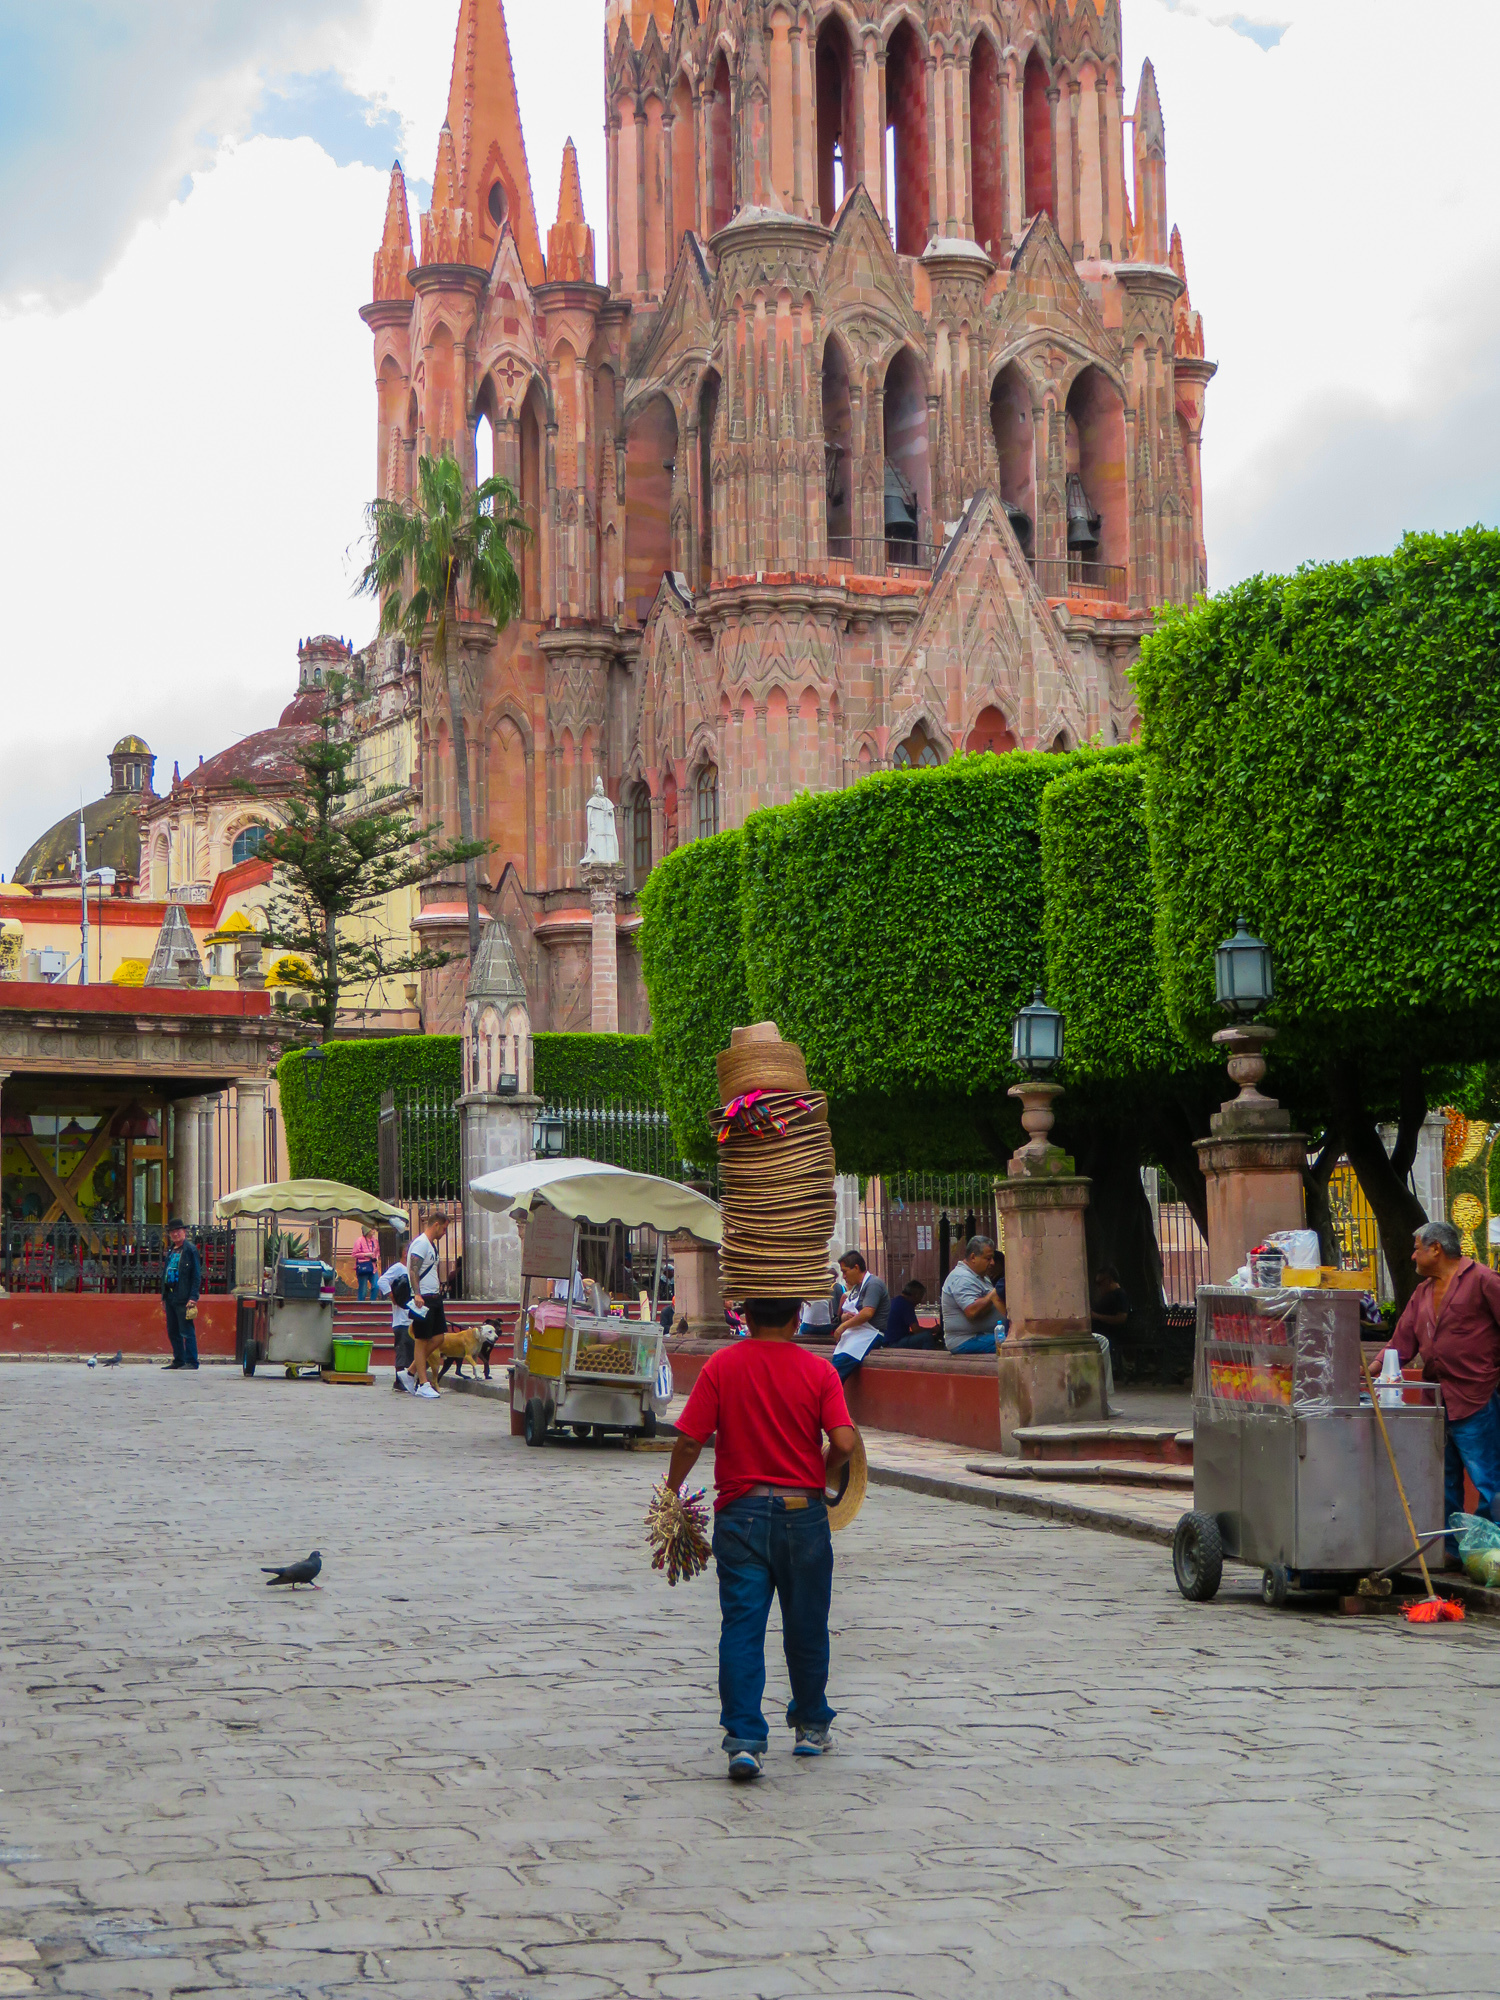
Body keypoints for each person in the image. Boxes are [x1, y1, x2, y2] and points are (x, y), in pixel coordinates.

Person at [667, 1297, 857, 1782]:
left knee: (743, 1628)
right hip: (804, 1514)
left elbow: (690, 1439)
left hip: (742, 1514)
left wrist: (672, 1493)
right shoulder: (819, 1371)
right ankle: (812, 1727)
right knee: (808, 1625)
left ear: (746, 1319)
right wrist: (821, 1470)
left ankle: (745, 1743)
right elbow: (846, 1441)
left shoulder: (722, 1364)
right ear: (797, 1319)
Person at [1382, 1219, 1500, 1563]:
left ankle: (1490, 1549)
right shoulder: (1422, 1293)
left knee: (1487, 1478)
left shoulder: (1483, 1281)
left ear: (1436, 1248)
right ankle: (1450, 1551)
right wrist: (1368, 1370)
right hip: (1438, 1399)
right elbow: (1400, 1343)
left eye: (1417, 1247)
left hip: (1477, 1394)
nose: (1413, 1255)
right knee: (1443, 1479)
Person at [399, 1211, 448, 1399]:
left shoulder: (430, 1245)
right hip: (423, 1298)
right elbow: (413, 1269)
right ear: (436, 1225)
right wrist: (417, 1293)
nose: (444, 1232)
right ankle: (422, 1383)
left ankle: (410, 1372)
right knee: (421, 1340)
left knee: (438, 1338)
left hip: (433, 1297)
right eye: (443, 1228)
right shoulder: (420, 1243)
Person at [829, 1250, 890, 1382]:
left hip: (870, 1334)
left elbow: (867, 1312)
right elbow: (846, 1311)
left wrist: (842, 1326)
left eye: (845, 1271)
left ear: (856, 1268)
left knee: (836, 1372)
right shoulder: (857, 1287)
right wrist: (844, 1317)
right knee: (835, 1368)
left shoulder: (873, 1284)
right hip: (853, 1335)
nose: (843, 1276)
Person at [940, 1236, 1007, 1354]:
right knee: (1014, 1345)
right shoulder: (962, 1277)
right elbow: (971, 1311)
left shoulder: (981, 1276)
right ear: (973, 1257)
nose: (992, 1263)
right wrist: (992, 1295)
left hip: (983, 1336)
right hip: (966, 1340)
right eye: (988, 1258)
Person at [377, 1255, 425, 1392]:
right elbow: (382, 1281)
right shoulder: (399, 1268)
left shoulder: (414, 1272)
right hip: (402, 1320)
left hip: (412, 1318)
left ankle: (411, 1379)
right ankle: (399, 1381)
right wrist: (393, 1297)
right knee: (403, 1350)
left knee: (412, 1350)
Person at [161, 1218, 202, 1371]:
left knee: (186, 1330)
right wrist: (163, 1296)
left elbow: (196, 1275)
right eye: (173, 1232)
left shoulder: (190, 1250)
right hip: (171, 1295)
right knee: (173, 1330)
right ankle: (179, 1359)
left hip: (183, 1296)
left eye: (178, 1231)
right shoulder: (171, 1250)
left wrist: (193, 1297)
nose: (175, 1234)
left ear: (184, 1232)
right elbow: (165, 1273)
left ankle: (191, 1361)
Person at [1089, 1266, 1127, 1418]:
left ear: (1109, 1281)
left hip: (1110, 1335)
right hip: (1100, 1332)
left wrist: (1097, 1316)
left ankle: (1105, 1397)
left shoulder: (1119, 1295)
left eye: (1100, 1283)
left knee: (1102, 1343)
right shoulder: (1107, 1296)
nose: (1098, 1287)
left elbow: (1122, 1317)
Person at [884, 1279, 936, 1349]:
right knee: (927, 1337)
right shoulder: (906, 1304)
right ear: (916, 1295)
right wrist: (933, 1330)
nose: (919, 1301)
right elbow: (916, 1330)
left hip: (888, 1341)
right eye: (920, 1297)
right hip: (894, 1343)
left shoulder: (895, 1301)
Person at [352, 1227, 380, 1302]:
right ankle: (360, 1307)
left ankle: (372, 1303)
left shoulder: (375, 1241)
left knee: (376, 1286)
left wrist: (376, 1257)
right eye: (372, 1229)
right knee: (363, 1290)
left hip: (373, 1267)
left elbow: (377, 1251)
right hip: (363, 1267)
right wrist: (366, 1255)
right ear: (367, 1231)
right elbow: (354, 1254)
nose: (374, 1231)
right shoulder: (359, 1240)